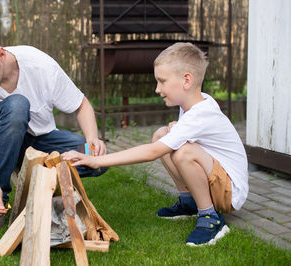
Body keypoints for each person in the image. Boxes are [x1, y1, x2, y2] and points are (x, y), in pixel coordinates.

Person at [62, 42, 249, 246]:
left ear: (186, 80)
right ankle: (189, 203)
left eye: (162, 81)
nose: (157, 89)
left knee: (182, 153)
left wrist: (97, 161)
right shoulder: (195, 103)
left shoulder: (200, 113)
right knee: (162, 134)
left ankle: (210, 218)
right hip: (219, 179)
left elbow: (152, 152)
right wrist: (176, 128)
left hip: (230, 192)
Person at [0, 30, 108, 229]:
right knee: (17, 105)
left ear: (1, 54)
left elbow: (82, 105)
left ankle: (35, 179)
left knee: (100, 160)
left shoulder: (40, 64)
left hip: (41, 140)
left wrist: (92, 139)